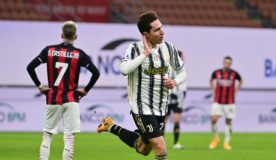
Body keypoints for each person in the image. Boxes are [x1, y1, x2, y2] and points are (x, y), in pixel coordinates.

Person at [97, 11, 186, 160]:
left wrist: (175, 81)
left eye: (161, 27)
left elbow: (182, 72)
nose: (162, 32)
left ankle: (111, 126)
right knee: (161, 148)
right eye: (157, 30)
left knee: (143, 149)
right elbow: (124, 70)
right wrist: (145, 54)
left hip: (160, 108)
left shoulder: (169, 48)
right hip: (141, 107)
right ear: (146, 34)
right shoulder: (134, 49)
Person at [26, 21, 100, 160]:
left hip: (53, 97)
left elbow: (30, 67)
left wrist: (39, 85)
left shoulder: (49, 50)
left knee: (47, 135)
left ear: (62, 35)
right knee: (69, 137)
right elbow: (96, 73)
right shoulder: (79, 54)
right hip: (72, 99)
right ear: (75, 36)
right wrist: (86, 90)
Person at [209, 56, 242, 150]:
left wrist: (237, 90)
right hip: (218, 101)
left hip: (230, 102)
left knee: (228, 121)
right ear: (223, 62)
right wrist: (213, 89)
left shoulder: (234, 74)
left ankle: (226, 143)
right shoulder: (217, 72)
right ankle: (215, 138)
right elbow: (211, 79)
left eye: (229, 63)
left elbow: (241, 80)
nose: (227, 65)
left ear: (231, 64)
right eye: (226, 63)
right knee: (213, 119)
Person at [162, 50, 186, 149]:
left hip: (178, 99)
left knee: (176, 120)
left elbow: (183, 82)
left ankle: (176, 143)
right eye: (181, 57)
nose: (183, 58)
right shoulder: (168, 67)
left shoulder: (183, 68)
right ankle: (160, 143)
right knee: (163, 122)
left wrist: (184, 92)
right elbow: (166, 80)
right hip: (167, 98)